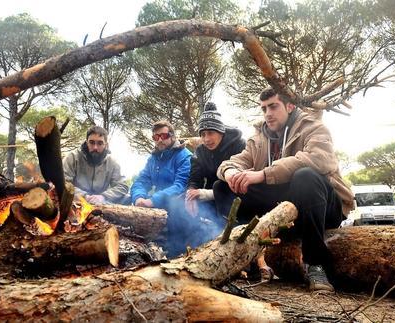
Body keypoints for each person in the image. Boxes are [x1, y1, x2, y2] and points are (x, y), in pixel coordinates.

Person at [214, 87, 354, 292]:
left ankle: (316, 264)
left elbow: (320, 160)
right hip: (285, 211)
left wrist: (262, 174)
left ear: (290, 106)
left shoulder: (313, 127)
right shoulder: (259, 137)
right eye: (263, 109)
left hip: (323, 207)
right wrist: (230, 173)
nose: (267, 113)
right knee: (222, 188)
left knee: (305, 176)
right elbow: (232, 162)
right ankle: (247, 259)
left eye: (273, 106)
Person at [180, 102, 246, 250]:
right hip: (211, 197)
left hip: (236, 195)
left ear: (221, 131)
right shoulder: (201, 152)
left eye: (210, 133)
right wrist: (190, 194)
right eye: (203, 134)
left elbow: (241, 180)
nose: (206, 139)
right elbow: (194, 178)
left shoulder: (239, 145)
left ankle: (229, 242)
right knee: (181, 204)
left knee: (220, 189)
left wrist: (204, 193)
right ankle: (190, 246)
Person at [130, 120, 192, 256]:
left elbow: (180, 185)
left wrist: (154, 200)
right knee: (127, 200)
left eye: (163, 136)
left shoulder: (184, 156)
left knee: (175, 203)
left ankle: (176, 252)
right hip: (158, 202)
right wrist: (138, 197)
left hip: (179, 202)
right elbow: (141, 181)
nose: (159, 140)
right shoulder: (153, 158)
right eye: (155, 137)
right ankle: (142, 247)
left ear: (172, 136)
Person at [63, 125, 128, 204]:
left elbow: (123, 186)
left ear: (106, 145)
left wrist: (103, 196)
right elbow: (64, 182)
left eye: (100, 143)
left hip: (102, 202)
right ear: (86, 142)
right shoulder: (73, 157)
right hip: (77, 201)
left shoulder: (112, 162)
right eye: (91, 142)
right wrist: (84, 196)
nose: (95, 147)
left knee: (127, 198)